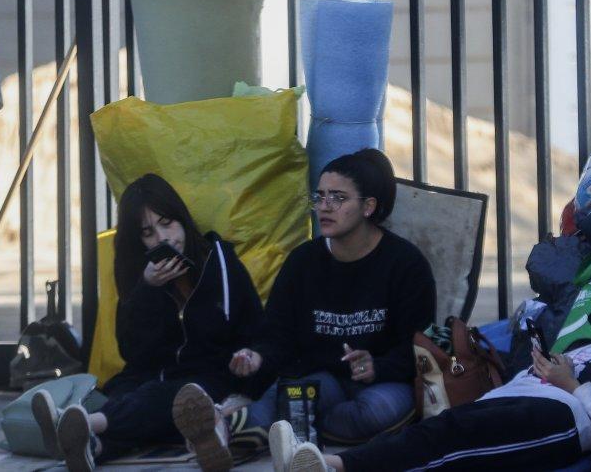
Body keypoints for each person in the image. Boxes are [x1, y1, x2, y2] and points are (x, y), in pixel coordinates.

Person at [175, 148, 437, 469]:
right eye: (320, 196)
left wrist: (376, 366)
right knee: (291, 398)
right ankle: (223, 431)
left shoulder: (405, 264)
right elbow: (278, 334)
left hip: (384, 382)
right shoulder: (304, 261)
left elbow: (418, 344)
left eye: (338, 198)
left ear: (368, 206)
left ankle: (278, 431)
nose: (324, 207)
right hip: (321, 378)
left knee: (369, 412)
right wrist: (257, 356)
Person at [29, 174, 266, 472]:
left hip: (210, 378)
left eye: (167, 223)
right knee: (133, 395)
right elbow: (133, 351)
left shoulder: (220, 264)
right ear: (138, 240)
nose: (162, 238)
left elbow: (256, 329)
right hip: (150, 375)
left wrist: (248, 356)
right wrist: (147, 290)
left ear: (182, 219)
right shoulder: (139, 273)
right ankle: (93, 446)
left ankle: (82, 425)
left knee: (168, 398)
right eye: (148, 232)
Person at [270, 342, 591, 472]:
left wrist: (570, 384)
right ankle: (328, 465)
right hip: (512, 396)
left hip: (564, 416)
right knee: (438, 433)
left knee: (451, 441)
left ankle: (333, 465)